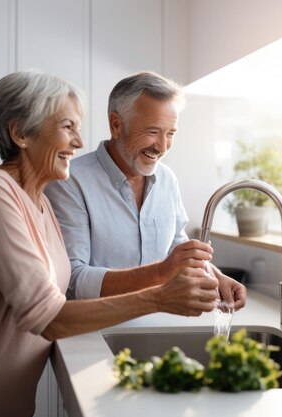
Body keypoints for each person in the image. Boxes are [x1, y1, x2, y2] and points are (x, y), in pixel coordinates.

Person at [0, 70, 220, 417]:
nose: (79, 142)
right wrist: (160, 296)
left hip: (2, 395)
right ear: (20, 133)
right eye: (67, 127)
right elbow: (47, 317)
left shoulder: (38, 200)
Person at [44, 70, 246, 308]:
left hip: (159, 321)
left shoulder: (167, 179)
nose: (162, 146)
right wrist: (161, 271)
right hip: (95, 332)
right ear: (116, 124)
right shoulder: (69, 181)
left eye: (170, 134)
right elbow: (73, 279)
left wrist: (215, 276)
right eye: (153, 132)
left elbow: (176, 250)